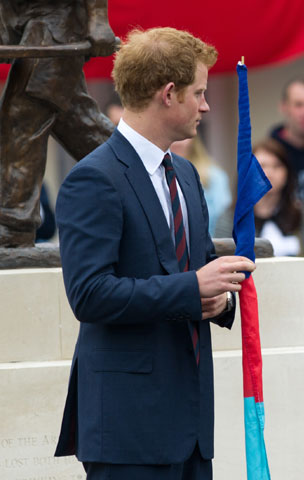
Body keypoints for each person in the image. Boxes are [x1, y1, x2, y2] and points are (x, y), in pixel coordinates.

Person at [54, 27, 256, 480]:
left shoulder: (185, 174)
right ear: (169, 94)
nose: (206, 105)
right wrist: (192, 288)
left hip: (191, 429)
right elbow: (89, 295)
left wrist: (222, 300)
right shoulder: (95, 178)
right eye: (199, 93)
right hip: (129, 432)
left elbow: (200, 276)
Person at [0, 0, 117, 247]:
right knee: (77, 120)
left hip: (54, 26)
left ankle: (15, 226)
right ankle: (146, 176)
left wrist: (98, 20)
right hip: (34, 27)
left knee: (23, 118)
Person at [214, 138, 304, 257]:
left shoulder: (300, 215)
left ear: (287, 173)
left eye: (277, 166)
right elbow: (221, 264)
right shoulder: (230, 218)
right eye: (261, 166)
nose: (269, 173)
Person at [171, 136, 231, 237]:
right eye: (174, 138)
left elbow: (223, 218)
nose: (178, 143)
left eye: (184, 138)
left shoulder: (214, 176)